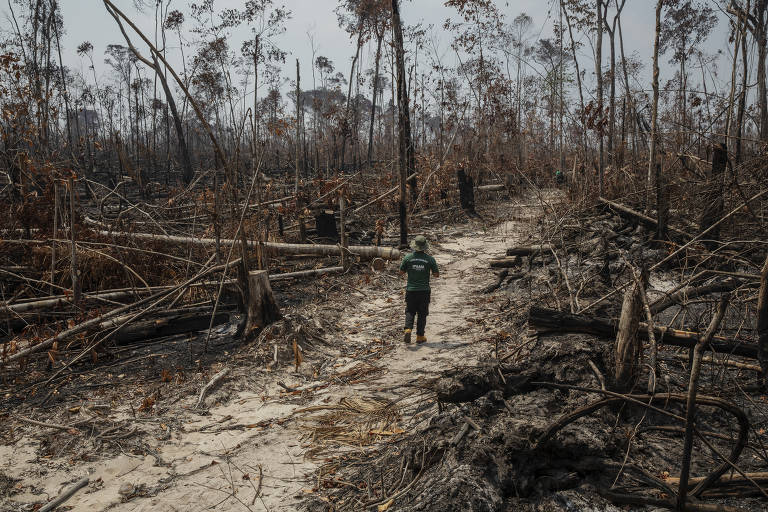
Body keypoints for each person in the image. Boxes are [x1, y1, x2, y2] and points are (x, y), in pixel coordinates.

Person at [399, 235, 439, 344]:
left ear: (414, 246)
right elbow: (436, 275)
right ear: (425, 247)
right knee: (422, 313)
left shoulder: (408, 258)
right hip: (424, 291)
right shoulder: (430, 259)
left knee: (410, 311)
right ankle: (420, 336)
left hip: (411, 290)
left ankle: (408, 329)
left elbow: (401, 272)